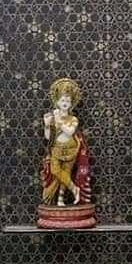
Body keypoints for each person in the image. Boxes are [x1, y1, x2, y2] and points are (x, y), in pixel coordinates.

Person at [41, 78, 91, 207]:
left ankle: (60, 200)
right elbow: (48, 137)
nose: (65, 103)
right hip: (56, 149)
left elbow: (70, 132)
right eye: (62, 100)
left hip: (71, 149)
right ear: (57, 102)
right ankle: (74, 189)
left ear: (71, 103)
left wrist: (59, 121)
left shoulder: (73, 119)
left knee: (66, 173)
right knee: (55, 171)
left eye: (68, 101)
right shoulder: (53, 117)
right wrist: (47, 125)